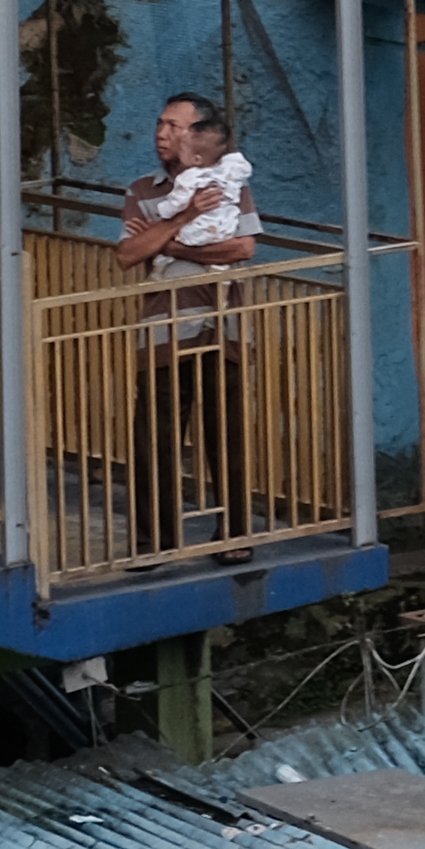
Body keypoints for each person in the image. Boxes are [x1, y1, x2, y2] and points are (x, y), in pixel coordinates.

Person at [113, 91, 256, 544]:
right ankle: (153, 539)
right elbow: (127, 254)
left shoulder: (227, 181)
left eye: (174, 126)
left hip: (222, 321)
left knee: (225, 433)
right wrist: (185, 218)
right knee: (155, 436)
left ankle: (233, 534)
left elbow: (243, 248)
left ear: (199, 137)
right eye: (160, 124)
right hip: (164, 326)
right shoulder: (143, 189)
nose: (161, 133)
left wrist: (166, 244)